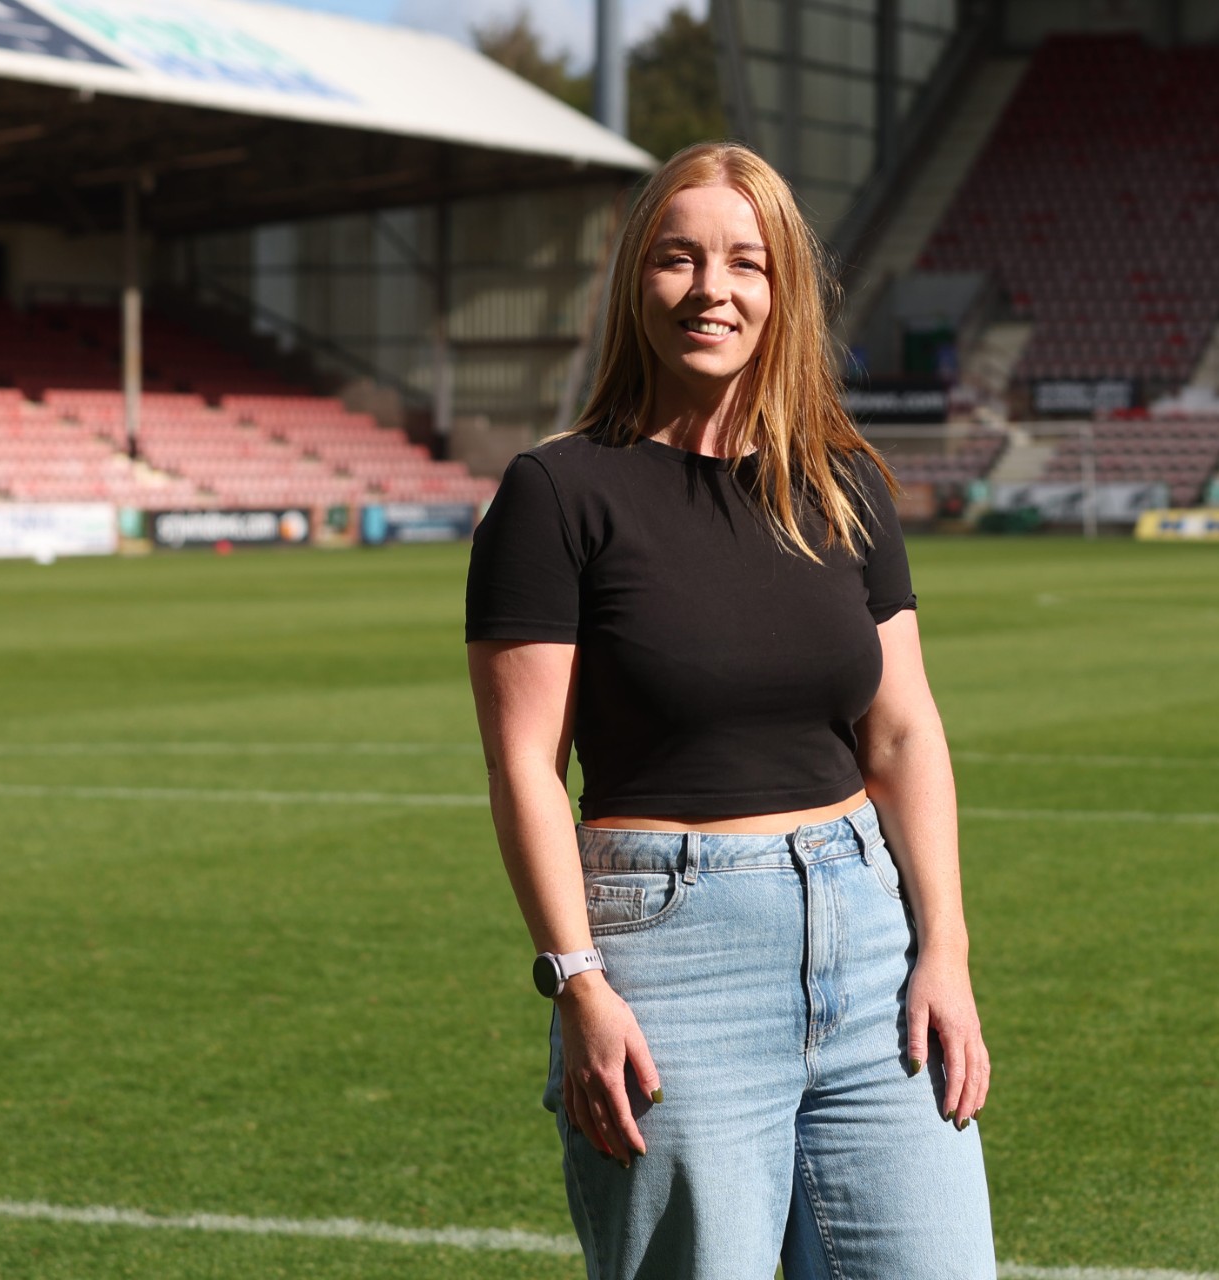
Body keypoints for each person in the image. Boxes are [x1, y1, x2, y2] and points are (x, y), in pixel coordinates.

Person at [463, 141, 996, 1279]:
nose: (714, 289)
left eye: (746, 262)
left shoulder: (843, 479)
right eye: (678, 259)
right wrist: (577, 981)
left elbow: (903, 731)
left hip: (870, 945)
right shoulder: (556, 493)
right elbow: (524, 768)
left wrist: (943, 946)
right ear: (633, 283)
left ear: (783, 286)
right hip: (670, 959)